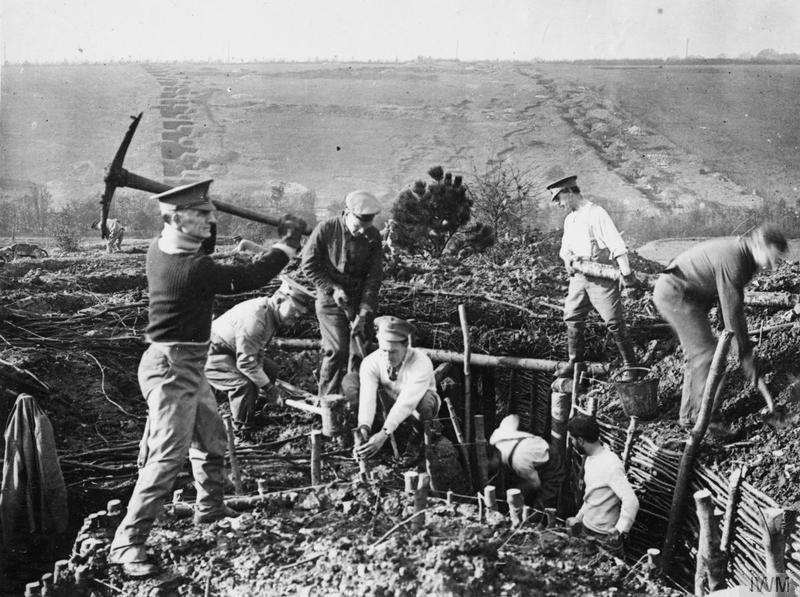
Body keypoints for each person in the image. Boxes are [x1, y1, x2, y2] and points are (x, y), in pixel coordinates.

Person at [107, 179, 305, 578]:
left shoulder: (163, 247)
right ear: (176, 219)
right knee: (167, 457)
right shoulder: (190, 268)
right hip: (170, 370)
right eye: (202, 215)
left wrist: (204, 209)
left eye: (211, 213)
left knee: (211, 438)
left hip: (189, 364)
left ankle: (210, 508)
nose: (211, 220)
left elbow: (207, 241)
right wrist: (287, 242)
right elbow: (248, 278)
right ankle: (127, 544)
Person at [652, 224, 787, 436]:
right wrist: (745, 354)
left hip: (690, 297)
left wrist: (744, 353)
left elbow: (731, 310)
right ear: (760, 244)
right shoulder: (735, 259)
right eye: (772, 258)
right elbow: (732, 316)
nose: (773, 266)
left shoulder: (746, 259)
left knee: (699, 355)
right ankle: (705, 419)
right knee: (707, 355)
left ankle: (689, 415)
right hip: (675, 293)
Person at [547, 175, 642, 382]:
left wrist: (626, 275)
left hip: (600, 276)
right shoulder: (570, 219)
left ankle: (631, 366)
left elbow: (616, 245)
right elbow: (564, 249)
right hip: (579, 277)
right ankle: (575, 363)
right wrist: (568, 258)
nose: (558, 204)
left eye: (559, 198)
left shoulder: (596, 213)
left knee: (614, 322)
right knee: (572, 317)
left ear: (570, 192)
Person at [301, 190, 383, 396]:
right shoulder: (326, 229)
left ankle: (356, 403)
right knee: (337, 351)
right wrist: (332, 288)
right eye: (358, 228)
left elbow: (374, 276)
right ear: (347, 213)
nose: (362, 233)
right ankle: (328, 404)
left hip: (360, 301)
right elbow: (309, 266)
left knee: (360, 354)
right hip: (331, 303)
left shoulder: (372, 236)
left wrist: (363, 313)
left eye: (366, 228)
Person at [205, 276, 315, 427]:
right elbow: (246, 363)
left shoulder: (271, 314)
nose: (297, 316)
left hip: (231, 350)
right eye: (295, 309)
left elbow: (258, 352)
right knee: (244, 385)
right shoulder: (256, 319)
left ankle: (251, 408)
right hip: (210, 352)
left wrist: (267, 384)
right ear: (279, 301)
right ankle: (242, 427)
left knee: (270, 370)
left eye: (300, 313)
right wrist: (270, 388)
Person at [348, 315, 440, 465]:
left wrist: (384, 433)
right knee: (351, 383)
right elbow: (367, 398)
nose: (388, 357)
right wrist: (364, 427)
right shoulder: (371, 362)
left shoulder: (421, 362)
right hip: (389, 401)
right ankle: (371, 436)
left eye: (393, 352)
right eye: (384, 351)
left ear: (406, 346)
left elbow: (407, 403)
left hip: (415, 404)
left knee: (425, 402)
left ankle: (416, 439)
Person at [565, 414, 639, 555]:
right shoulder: (591, 458)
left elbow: (631, 501)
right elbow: (592, 497)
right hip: (587, 529)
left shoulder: (611, 465)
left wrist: (619, 530)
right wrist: (579, 517)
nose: (572, 443)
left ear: (580, 440)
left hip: (605, 538)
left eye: (572, 439)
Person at [488, 414, 563, 508]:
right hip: (529, 451)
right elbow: (513, 417)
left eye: (490, 465)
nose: (490, 468)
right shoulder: (496, 438)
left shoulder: (519, 462)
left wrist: (514, 495)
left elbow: (535, 483)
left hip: (547, 454)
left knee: (546, 496)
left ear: (495, 455)